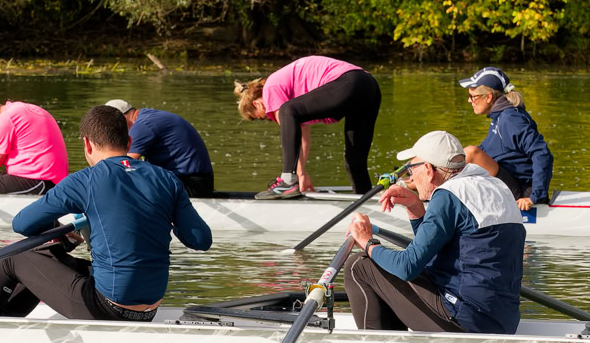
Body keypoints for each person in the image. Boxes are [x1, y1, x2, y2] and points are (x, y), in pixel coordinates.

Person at [0, 104, 212, 319]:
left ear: (87, 144)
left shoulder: (86, 180)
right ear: (129, 141)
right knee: (56, 259)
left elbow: (22, 224)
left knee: (17, 258)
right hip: (150, 308)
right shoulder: (167, 179)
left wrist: (60, 231)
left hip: (109, 309)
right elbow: (201, 240)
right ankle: (4, 321)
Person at [344, 130, 526, 333]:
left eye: (412, 168)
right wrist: (416, 209)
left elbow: (407, 267)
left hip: (464, 322)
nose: (411, 177)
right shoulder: (496, 186)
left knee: (359, 265)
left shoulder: (448, 195)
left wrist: (367, 241)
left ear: (428, 169)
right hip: (504, 322)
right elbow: (438, 256)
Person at [234, 55, 381, 199]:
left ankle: (287, 182)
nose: (267, 118)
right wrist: (301, 172)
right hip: (369, 86)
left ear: (257, 104)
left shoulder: (270, 88)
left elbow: (288, 120)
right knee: (354, 162)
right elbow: (301, 136)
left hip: (349, 81)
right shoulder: (290, 96)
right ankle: (364, 202)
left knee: (286, 110)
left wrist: (297, 174)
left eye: (260, 117)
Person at [459, 67, 553, 210]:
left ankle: (435, 196)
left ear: (488, 97)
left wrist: (535, 196)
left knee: (472, 153)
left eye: (473, 96)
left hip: (522, 192)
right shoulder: (498, 117)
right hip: (508, 182)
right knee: (457, 155)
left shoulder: (511, 119)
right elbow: (485, 149)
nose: (469, 100)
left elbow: (542, 153)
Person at [103, 99, 214, 197]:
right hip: (196, 182)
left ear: (122, 117)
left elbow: (122, 164)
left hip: (192, 185)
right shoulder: (149, 117)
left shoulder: (142, 125)